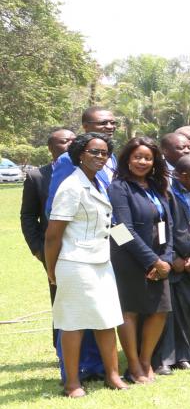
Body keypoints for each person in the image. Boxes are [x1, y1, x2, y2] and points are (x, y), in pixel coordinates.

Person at [44, 133, 128, 395]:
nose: (100, 157)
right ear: (80, 154)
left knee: (106, 319)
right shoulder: (71, 186)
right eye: (94, 152)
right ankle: (72, 383)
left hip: (101, 261)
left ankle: (112, 376)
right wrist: (52, 270)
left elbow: (110, 225)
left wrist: (134, 251)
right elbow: (53, 235)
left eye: (104, 153)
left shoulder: (100, 183)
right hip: (75, 262)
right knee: (73, 323)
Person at [108, 135, 175, 384]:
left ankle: (146, 361)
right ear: (127, 159)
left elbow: (168, 225)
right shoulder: (118, 187)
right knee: (130, 311)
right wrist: (151, 261)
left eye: (148, 158)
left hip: (160, 262)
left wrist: (166, 259)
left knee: (160, 310)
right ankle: (134, 366)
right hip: (129, 260)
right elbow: (121, 229)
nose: (142, 162)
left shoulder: (156, 187)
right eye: (137, 157)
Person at [156, 154, 190, 373]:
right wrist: (172, 258)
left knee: (187, 311)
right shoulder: (165, 194)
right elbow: (162, 229)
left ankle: (183, 354)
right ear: (183, 176)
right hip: (171, 262)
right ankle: (164, 359)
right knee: (167, 313)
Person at [22, 126, 75, 268]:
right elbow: (28, 215)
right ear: (50, 148)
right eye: (65, 141)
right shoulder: (37, 177)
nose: (71, 144)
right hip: (54, 249)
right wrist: (37, 249)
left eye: (74, 141)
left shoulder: (89, 174)